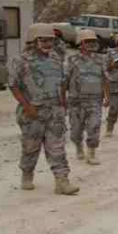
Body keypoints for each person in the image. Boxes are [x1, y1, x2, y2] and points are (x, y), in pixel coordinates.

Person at [10, 23, 79, 194]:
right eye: (44, 40)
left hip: (54, 111)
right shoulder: (20, 60)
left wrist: (63, 102)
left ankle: (62, 181)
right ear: (33, 41)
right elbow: (14, 85)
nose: (48, 44)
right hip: (33, 112)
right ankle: (27, 174)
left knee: (57, 147)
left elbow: (62, 81)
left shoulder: (56, 59)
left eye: (51, 41)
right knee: (30, 148)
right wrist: (27, 107)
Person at [66, 29, 109, 166]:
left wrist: (107, 96)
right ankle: (79, 147)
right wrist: (62, 99)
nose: (91, 44)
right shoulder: (72, 60)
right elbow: (64, 81)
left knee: (94, 126)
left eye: (93, 41)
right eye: (88, 41)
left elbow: (105, 79)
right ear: (81, 43)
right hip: (76, 101)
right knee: (76, 130)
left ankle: (91, 153)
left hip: (95, 100)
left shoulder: (101, 59)